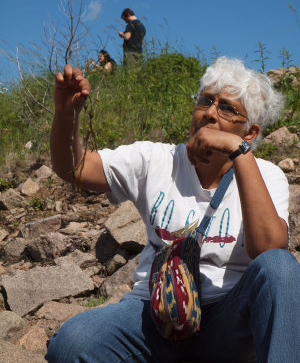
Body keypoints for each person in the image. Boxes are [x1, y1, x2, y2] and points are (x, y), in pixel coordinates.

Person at [46, 57, 300, 363]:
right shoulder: (156, 160)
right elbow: (77, 168)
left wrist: (239, 153)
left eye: (227, 108)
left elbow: (269, 249)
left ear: (250, 132)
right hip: (156, 315)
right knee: (74, 343)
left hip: (227, 327)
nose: (209, 112)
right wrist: (65, 115)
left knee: (280, 267)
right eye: (205, 100)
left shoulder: (267, 175)